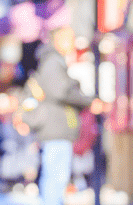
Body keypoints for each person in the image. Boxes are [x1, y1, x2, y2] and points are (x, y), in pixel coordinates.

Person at [27, 21, 105, 205]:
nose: (72, 42)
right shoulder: (53, 62)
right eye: (69, 38)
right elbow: (61, 91)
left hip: (57, 126)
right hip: (56, 127)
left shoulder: (53, 61)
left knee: (56, 174)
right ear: (58, 40)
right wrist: (87, 101)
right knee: (56, 174)